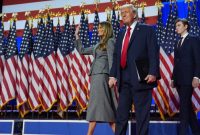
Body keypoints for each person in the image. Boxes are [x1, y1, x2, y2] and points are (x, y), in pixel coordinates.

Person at [108, 4, 160, 135]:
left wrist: (153, 72)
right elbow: (116, 56)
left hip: (141, 79)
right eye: (121, 13)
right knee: (121, 116)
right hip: (124, 80)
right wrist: (113, 75)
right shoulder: (120, 33)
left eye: (126, 12)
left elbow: (153, 52)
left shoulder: (147, 30)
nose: (123, 15)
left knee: (142, 117)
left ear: (135, 14)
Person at [74, 21, 116, 135]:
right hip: (96, 77)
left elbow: (112, 60)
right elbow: (82, 51)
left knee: (104, 107)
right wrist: (77, 36)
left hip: (103, 76)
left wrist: (112, 76)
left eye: (100, 28)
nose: (98, 30)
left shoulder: (110, 41)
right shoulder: (98, 44)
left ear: (106, 29)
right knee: (101, 107)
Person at [171, 18, 200, 135]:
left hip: (188, 79)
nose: (176, 28)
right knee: (187, 106)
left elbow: (198, 60)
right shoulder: (177, 42)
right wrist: (173, 78)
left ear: (186, 26)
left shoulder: (193, 39)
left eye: (178, 25)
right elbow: (176, 63)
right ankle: (196, 131)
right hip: (178, 79)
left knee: (183, 108)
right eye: (176, 26)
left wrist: (197, 77)